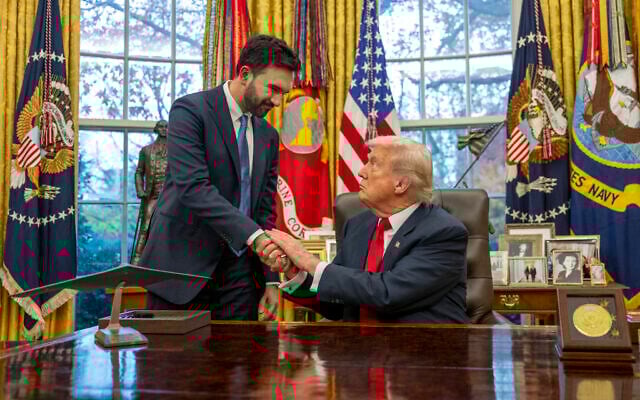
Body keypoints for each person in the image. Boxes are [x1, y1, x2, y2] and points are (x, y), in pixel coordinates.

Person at [138, 35, 300, 320]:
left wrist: (271, 279)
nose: (277, 101)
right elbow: (193, 188)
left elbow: (264, 209)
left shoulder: (268, 136)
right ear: (245, 74)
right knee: (170, 364)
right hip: (181, 269)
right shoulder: (190, 111)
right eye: (273, 88)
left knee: (239, 360)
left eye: (283, 93)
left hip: (240, 277)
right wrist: (256, 238)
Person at [269, 136, 469, 323]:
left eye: (373, 164)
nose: (361, 171)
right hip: (358, 354)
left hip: (419, 353)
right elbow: (337, 303)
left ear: (400, 184)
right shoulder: (358, 225)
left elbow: (388, 293)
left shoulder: (443, 232)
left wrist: (309, 261)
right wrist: (296, 272)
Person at [130, 120, 168, 265]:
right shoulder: (146, 151)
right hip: (152, 195)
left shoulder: (176, 151)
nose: (164, 129)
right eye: (161, 127)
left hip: (171, 198)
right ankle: (137, 261)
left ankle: (166, 262)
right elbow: (139, 172)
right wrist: (140, 191)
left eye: (166, 127)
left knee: (169, 229)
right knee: (145, 227)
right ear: (156, 129)